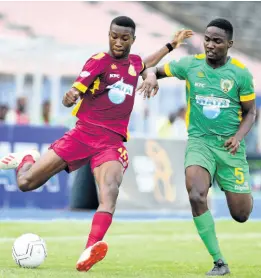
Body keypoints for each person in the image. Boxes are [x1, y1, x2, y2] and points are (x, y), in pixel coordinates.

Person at [0, 16, 192, 272]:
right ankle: (27, 158)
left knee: (109, 192)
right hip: (82, 135)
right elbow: (74, 93)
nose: (118, 42)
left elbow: (147, 62)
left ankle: (88, 251)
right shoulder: (99, 61)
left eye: (124, 38)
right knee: (25, 183)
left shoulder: (135, 63)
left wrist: (172, 45)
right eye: (114, 36)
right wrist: (71, 96)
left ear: (132, 40)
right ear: (109, 35)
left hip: (111, 143)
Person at [138, 18, 255, 276]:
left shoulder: (240, 74)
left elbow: (250, 112)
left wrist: (238, 137)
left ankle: (240, 192)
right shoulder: (189, 65)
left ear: (229, 44)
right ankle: (219, 261)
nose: (210, 45)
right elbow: (150, 69)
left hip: (229, 148)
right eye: (207, 39)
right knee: (196, 194)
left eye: (217, 41)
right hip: (199, 142)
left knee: (241, 214)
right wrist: (151, 77)